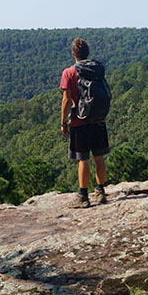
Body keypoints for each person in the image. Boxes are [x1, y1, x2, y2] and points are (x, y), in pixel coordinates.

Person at [60, 37, 109, 208]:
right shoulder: (97, 69)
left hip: (79, 121)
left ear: (73, 53)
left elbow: (67, 100)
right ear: (88, 53)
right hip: (98, 118)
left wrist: (63, 122)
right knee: (99, 156)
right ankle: (101, 191)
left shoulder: (69, 72)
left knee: (83, 159)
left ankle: (83, 196)